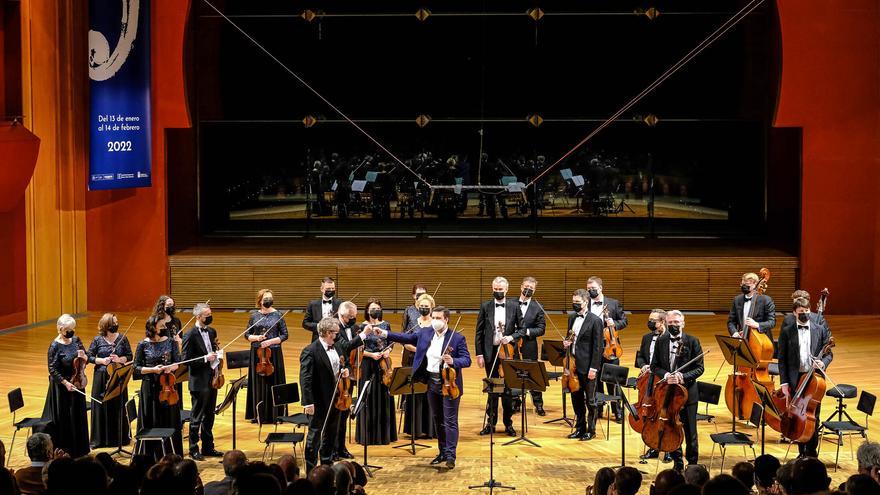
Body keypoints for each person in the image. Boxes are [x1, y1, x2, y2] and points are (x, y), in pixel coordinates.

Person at [375, 305, 471, 469]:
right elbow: (405, 338)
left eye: (438, 318)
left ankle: (450, 456)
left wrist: (454, 361)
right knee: (438, 420)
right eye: (433, 317)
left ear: (446, 319)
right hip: (432, 383)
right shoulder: (426, 333)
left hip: (449, 384)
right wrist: (384, 333)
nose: (435, 321)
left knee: (450, 421)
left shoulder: (457, 338)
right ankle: (441, 452)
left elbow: (467, 360)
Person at [300, 317, 368, 473]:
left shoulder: (337, 346)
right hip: (318, 400)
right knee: (315, 435)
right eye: (335, 333)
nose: (338, 336)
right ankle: (311, 469)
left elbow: (346, 364)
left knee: (331, 433)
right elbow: (305, 379)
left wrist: (346, 371)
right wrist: (307, 403)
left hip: (337, 399)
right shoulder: (310, 351)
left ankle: (326, 464)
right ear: (326, 333)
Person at [777, 297, 833, 458]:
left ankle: (812, 453)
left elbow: (829, 354)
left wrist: (822, 363)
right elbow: (782, 359)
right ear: (794, 313)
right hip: (796, 378)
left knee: (813, 416)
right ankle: (801, 453)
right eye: (801, 312)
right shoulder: (788, 331)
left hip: (814, 379)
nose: (805, 314)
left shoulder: (819, 329)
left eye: (807, 312)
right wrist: (784, 383)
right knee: (798, 415)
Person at [651, 310, 705, 472]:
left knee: (690, 431)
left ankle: (693, 463)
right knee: (671, 429)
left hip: (687, 394)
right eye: (670, 323)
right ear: (666, 323)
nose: (673, 325)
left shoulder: (692, 341)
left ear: (683, 323)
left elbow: (700, 368)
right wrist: (666, 374)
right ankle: (678, 463)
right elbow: (654, 366)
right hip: (668, 394)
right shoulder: (661, 341)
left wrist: (682, 376)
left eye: (676, 322)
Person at [475, 276, 522, 436]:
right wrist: (479, 353)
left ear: (507, 290)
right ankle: (491, 423)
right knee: (493, 388)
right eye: (495, 289)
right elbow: (479, 332)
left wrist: (510, 337)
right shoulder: (486, 306)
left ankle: (508, 424)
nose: (498, 292)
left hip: (507, 352)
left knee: (508, 391)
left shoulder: (514, 306)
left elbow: (521, 329)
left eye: (500, 290)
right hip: (490, 352)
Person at [133, 314, 183, 460]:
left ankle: (171, 455)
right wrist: (153, 370)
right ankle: (151, 456)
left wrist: (171, 367)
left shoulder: (171, 343)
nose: (164, 328)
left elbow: (178, 362)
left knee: (169, 418)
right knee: (151, 419)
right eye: (160, 326)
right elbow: (136, 368)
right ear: (152, 328)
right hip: (150, 387)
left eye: (164, 326)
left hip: (168, 386)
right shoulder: (143, 344)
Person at [41, 314, 90, 458]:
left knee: (78, 416)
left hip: (77, 382)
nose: (72, 332)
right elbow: (52, 369)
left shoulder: (76, 340)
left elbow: (85, 358)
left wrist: (85, 358)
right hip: (62, 387)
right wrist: (65, 383)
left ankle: (80, 449)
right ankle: (66, 451)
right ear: (60, 329)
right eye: (69, 329)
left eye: (73, 329)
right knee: (66, 419)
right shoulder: (54, 346)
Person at [182, 302, 224, 460]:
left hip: (213, 379)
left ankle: (208, 446)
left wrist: (217, 355)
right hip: (199, 381)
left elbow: (212, 349)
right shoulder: (190, 335)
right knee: (197, 416)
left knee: (209, 415)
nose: (210, 317)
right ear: (198, 317)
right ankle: (193, 449)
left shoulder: (212, 331)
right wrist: (205, 358)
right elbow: (185, 360)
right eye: (207, 316)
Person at [86, 312, 133, 449]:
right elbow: (89, 357)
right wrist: (102, 360)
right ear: (106, 325)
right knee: (101, 406)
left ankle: (119, 438)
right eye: (113, 323)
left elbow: (129, 356)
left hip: (117, 376)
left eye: (117, 323)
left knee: (118, 406)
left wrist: (119, 359)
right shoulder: (97, 340)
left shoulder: (122, 339)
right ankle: (100, 440)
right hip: (101, 377)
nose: (116, 325)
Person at [354, 298, 397, 446]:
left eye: (378, 308)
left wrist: (388, 351)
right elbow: (358, 349)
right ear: (367, 311)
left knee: (383, 396)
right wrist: (371, 355)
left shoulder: (385, 325)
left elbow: (391, 342)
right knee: (368, 396)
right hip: (368, 364)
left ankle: (384, 435)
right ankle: (367, 435)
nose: (375, 311)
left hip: (383, 365)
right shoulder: (361, 327)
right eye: (373, 308)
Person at [586, 276, 628, 422]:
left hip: (611, 347)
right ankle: (598, 409)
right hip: (593, 348)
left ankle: (618, 411)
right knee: (595, 380)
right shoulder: (586, 305)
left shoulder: (613, 303)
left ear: (601, 288)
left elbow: (624, 321)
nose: (591, 291)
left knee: (613, 381)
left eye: (593, 289)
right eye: (589, 289)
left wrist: (614, 323)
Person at [564, 289, 603, 441]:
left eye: (578, 303)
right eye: (573, 303)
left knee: (591, 401)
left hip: (588, 367)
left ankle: (591, 430)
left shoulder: (595, 321)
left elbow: (598, 347)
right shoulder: (572, 317)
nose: (575, 305)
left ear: (586, 302)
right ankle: (580, 428)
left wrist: (594, 368)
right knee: (576, 398)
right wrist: (566, 343)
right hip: (573, 365)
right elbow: (570, 336)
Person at [245, 289, 289, 424]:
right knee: (258, 383)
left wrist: (270, 341)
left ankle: (276, 414)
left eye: (270, 298)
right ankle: (258, 414)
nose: (269, 301)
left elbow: (285, 335)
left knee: (274, 382)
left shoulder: (278, 315)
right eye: (266, 299)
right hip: (257, 354)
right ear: (260, 301)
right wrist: (257, 338)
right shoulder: (254, 316)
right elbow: (247, 335)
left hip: (273, 353)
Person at [637, 308, 672, 463]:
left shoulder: (671, 339)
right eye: (649, 319)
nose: (650, 323)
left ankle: (668, 448)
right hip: (648, 380)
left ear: (662, 322)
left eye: (653, 320)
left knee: (664, 414)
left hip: (663, 382)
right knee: (649, 413)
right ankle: (653, 447)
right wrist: (643, 364)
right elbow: (640, 356)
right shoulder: (646, 338)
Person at [401, 291, 436, 440]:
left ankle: (429, 429)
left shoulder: (436, 323)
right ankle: (414, 429)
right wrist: (418, 349)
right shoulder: (414, 322)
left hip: (430, 362)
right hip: (413, 358)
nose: (423, 308)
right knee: (414, 393)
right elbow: (405, 339)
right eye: (421, 305)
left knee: (430, 393)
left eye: (426, 306)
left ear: (431, 307)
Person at [510, 277, 547, 416]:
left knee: (532, 374)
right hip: (511, 344)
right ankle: (515, 402)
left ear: (534, 290)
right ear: (521, 287)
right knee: (513, 373)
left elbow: (541, 329)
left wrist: (526, 331)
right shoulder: (510, 303)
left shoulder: (538, 307)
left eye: (531, 288)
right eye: (526, 287)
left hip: (529, 345)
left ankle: (538, 404)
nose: (528, 289)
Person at [332, 301, 360, 460]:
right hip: (338, 378)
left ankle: (342, 448)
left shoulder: (352, 328)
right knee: (337, 414)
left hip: (349, 374)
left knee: (345, 413)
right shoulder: (335, 328)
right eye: (351, 317)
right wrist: (362, 337)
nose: (353, 319)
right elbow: (344, 347)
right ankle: (334, 450)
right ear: (342, 315)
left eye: (355, 316)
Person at [727, 272, 776, 341]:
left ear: (755, 284)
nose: (744, 286)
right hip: (742, 338)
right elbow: (731, 321)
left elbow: (772, 322)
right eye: (742, 284)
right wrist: (735, 333)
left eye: (747, 284)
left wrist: (757, 324)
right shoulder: (737, 300)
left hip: (761, 340)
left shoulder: (766, 300)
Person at [303, 277, 341, 342]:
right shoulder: (313, 304)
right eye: (328, 289)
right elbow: (305, 323)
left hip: (336, 340)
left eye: (333, 288)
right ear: (322, 289)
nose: (331, 290)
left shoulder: (340, 303)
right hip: (318, 340)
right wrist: (319, 326)